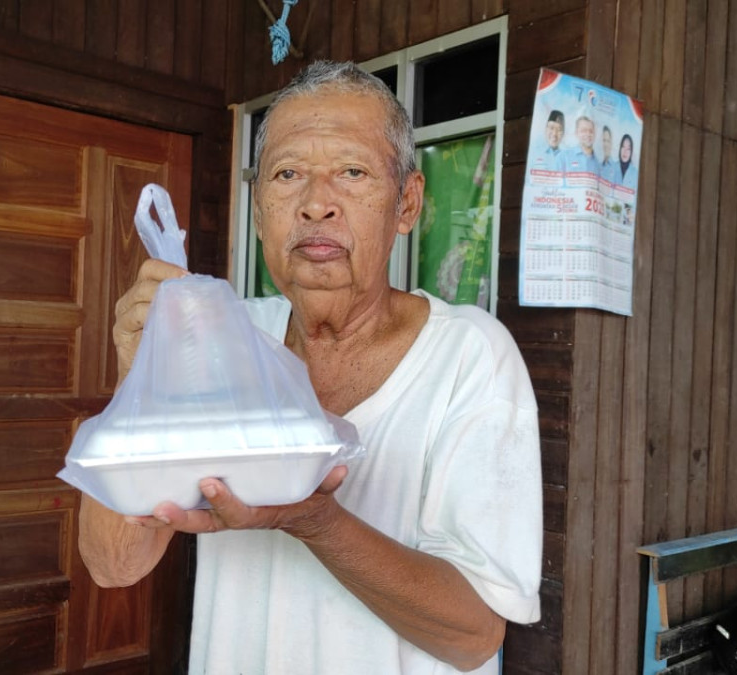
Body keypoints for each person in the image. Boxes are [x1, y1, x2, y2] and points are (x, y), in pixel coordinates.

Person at [78, 61, 542, 675]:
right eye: (289, 174)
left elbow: (474, 635)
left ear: (406, 203)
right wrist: (142, 377)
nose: (317, 204)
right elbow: (114, 566)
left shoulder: (469, 358)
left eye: (352, 173)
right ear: (260, 207)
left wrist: (313, 520)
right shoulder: (224, 341)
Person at [530, 109, 567, 181]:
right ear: (546, 129)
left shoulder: (567, 157)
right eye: (551, 128)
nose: (554, 134)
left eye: (559, 130)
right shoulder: (534, 153)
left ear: (563, 134)